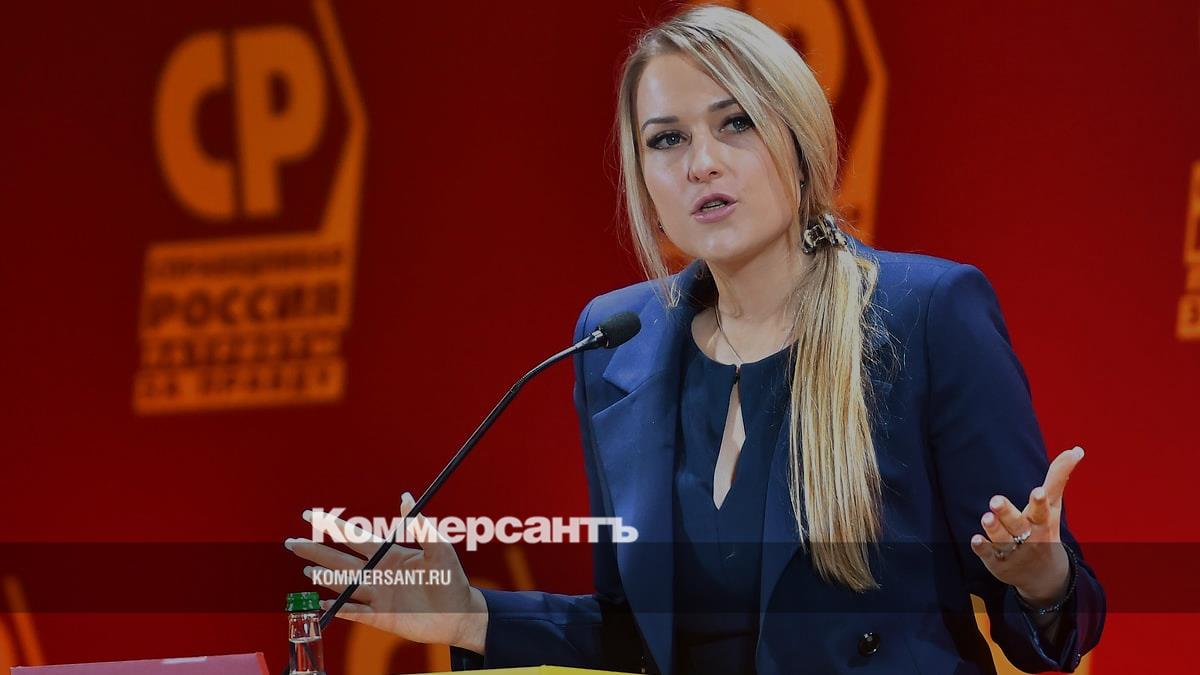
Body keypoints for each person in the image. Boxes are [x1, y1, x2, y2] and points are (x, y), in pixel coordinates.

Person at [285, 5, 1105, 673]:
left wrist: (1041, 577)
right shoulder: (616, 343)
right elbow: (637, 634)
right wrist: (471, 616)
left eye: (735, 123)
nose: (701, 163)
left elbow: (1055, 620)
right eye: (666, 139)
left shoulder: (924, 313)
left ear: (798, 139)